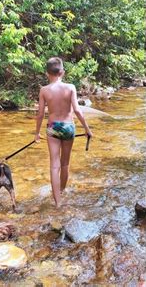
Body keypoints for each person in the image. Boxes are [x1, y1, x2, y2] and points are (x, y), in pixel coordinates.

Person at [35, 57, 93, 208]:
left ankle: (58, 203)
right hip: (68, 127)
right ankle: (61, 190)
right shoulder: (71, 87)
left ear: (47, 73)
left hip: (53, 127)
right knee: (65, 164)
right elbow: (77, 110)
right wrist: (87, 129)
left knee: (54, 166)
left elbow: (40, 114)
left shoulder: (44, 90)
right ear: (62, 72)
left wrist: (36, 133)